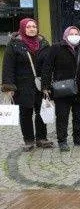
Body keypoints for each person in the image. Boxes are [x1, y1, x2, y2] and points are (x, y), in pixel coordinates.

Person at [1, 18, 53, 151]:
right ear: (23, 28)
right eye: (29, 27)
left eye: (34, 26)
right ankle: (29, 140)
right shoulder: (14, 44)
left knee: (41, 111)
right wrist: (8, 86)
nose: (32, 29)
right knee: (25, 112)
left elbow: (48, 66)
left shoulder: (43, 43)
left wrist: (47, 85)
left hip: (40, 84)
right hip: (22, 85)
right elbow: (8, 66)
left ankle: (41, 138)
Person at [41, 26, 80, 151]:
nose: (74, 36)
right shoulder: (56, 48)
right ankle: (62, 141)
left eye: (76, 34)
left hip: (79, 88)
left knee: (78, 115)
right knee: (62, 116)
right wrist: (45, 86)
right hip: (62, 88)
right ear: (66, 35)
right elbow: (47, 67)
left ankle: (77, 138)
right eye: (71, 34)